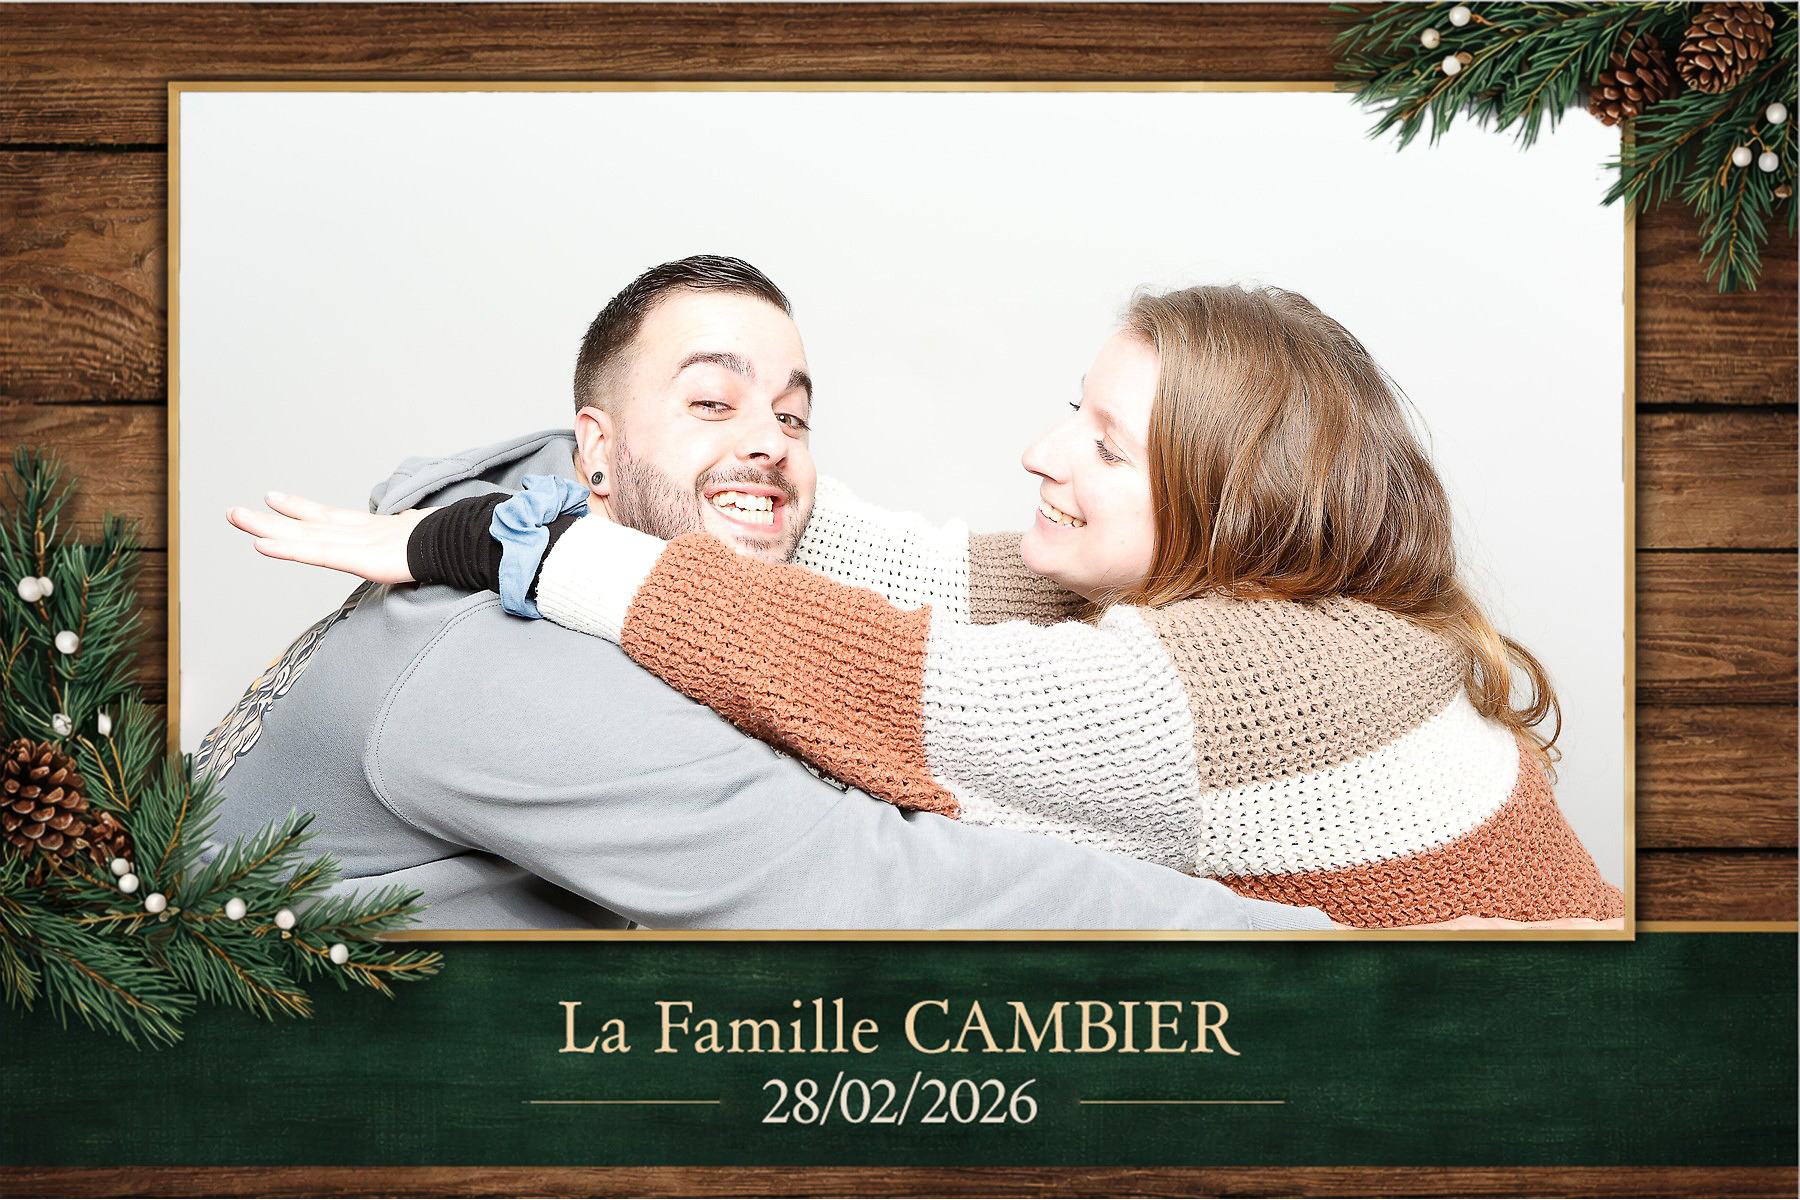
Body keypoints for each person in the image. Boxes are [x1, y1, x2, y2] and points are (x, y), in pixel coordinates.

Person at [238, 281, 1623, 928]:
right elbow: (891, 565)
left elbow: (882, 686)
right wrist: (692, 469)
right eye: (1068, 412)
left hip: (1525, 1060)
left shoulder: (1254, 680)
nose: (1041, 454)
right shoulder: (1210, 590)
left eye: (1104, 445)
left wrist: (522, 546)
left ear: (1228, 506)